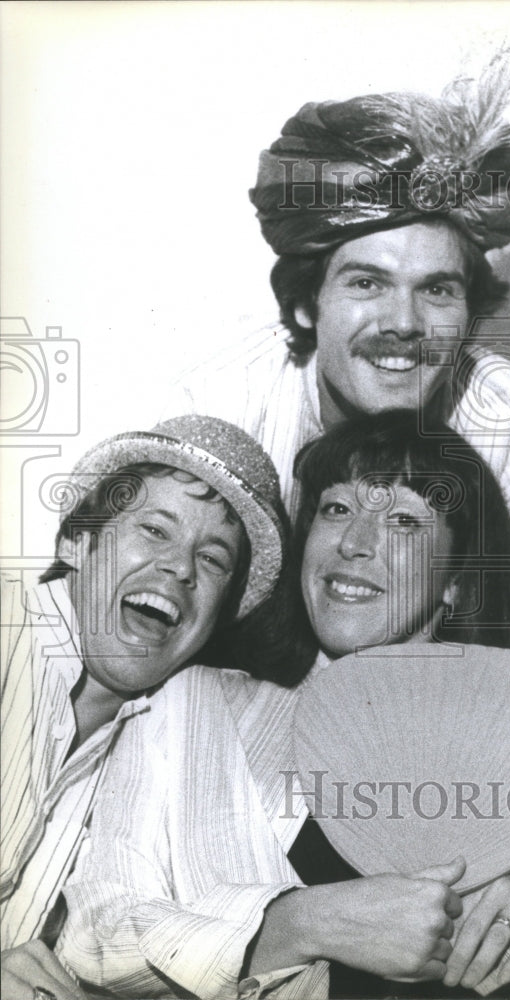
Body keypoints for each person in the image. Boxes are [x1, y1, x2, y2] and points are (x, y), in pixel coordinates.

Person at [58, 413, 510, 1000]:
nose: (354, 544)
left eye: (402, 521)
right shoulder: (193, 704)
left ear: (457, 582)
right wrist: (299, 924)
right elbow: (95, 927)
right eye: (336, 509)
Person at [166, 53, 510, 621]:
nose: (403, 323)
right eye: (367, 282)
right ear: (306, 304)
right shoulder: (222, 408)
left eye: (437, 290)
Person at [1, 414, 299, 1000]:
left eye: (213, 559)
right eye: (156, 531)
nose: (181, 568)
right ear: (77, 541)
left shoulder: (160, 736)